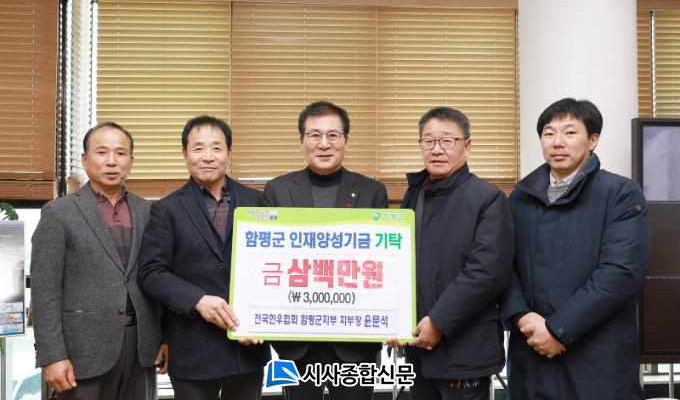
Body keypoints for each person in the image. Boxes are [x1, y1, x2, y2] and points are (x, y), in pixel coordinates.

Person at [501, 98, 650, 400]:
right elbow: (503, 266)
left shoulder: (620, 193)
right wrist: (521, 317)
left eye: (570, 133)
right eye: (549, 133)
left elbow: (619, 273)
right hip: (531, 350)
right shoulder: (519, 198)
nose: (558, 142)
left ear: (593, 140)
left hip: (596, 354)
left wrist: (557, 330)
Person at [138, 116, 270, 400]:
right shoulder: (166, 210)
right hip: (192, 347)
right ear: (185, 153)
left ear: (229, 152)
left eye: (216, 148)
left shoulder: (259, 202)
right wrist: (197, 300)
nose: (208, 156)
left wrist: (262, 320)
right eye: (198, 148)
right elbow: (151, 272)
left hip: (247, 345)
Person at [263, 101, 388, 400]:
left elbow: (384, 264)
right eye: (314, 135)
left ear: (346, 140)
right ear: (302, 140)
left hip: (356, 340)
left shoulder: (372, 191)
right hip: (296, 341)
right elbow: (265, 261)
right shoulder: (277, 190)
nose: (323, 144)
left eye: (333, 135)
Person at [31, 122, 165, 400]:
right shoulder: (59, 213)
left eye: (121, 153)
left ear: (131, 161)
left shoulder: (147, 210)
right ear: (85, 159)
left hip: (142, 345)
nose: (112, 161)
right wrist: (52, 356)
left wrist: (164, 337)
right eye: (102, 152)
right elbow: (45, 291)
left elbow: (158, 278)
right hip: (83, 350)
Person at [387, 107, 513, 400]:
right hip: (418, 349)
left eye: (447, 141)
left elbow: (486, 273)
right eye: (428, 141)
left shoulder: (488, 198)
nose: (436, 150)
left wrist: (439, 321)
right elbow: (399, 263)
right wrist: (394, 319)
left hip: (465, 351)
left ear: (467, 146)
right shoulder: (414, 194)